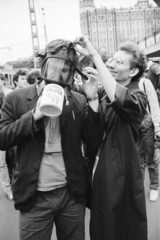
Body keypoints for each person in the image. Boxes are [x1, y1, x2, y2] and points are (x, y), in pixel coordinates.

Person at [0, 39, 104, 240]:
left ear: (74, 73)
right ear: (43, 66)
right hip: (34, 197)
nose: (59, 74)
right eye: (54, 66)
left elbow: (94, 139)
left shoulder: (78, 99)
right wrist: (33, 115)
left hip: (71, 194)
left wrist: (92, 99)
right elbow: (3, 138)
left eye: (66, 69)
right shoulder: (17, 98)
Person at [74, 37, 148, 240]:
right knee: (101, 228)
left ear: (133, 71)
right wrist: (92, 98)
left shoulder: (138, 97)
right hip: (99, 173)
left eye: (119, 62)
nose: (111, 64)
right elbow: (94, 138)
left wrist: (95, 56)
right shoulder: (104, 95)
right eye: (111, 60)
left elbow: (119, 98)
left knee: (122, 228)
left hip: (121, 176)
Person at [137, 77, 160, 201]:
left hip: (147, 125)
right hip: (133, 126)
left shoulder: (145, 82)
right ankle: (139, 188)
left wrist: (157, 127)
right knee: (138, 159)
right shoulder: (122, 82)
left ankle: (154, 186)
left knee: (151, 158)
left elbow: (154, 104)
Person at [0, 73, 13, 200]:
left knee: (11, 159)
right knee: (2, 163)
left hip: (7, 130)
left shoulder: (9, 94)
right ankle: (8, 189)